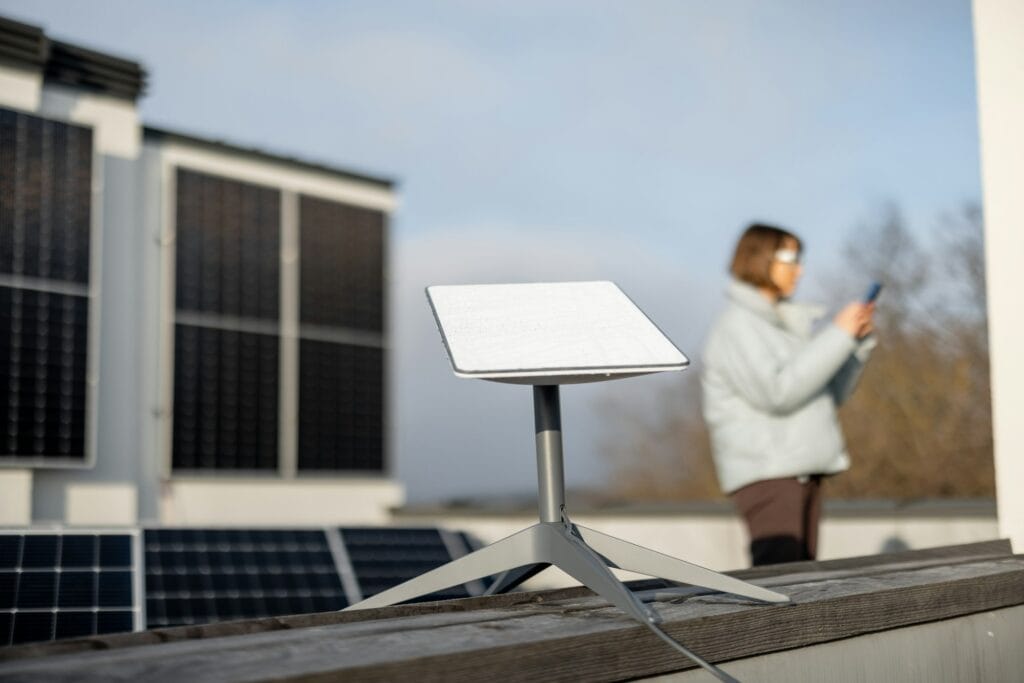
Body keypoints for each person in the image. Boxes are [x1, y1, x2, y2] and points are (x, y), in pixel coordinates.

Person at [701, 223, 876, 566]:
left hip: (798, 470)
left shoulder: (779, 325)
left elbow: (827, 394)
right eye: (790, 257)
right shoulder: (738, 325)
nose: (801, 268)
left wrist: (854, 344)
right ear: (758, 257)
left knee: (800, 585)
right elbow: (777, 392)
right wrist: (838, 335)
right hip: (769, 474)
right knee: (780, 586)